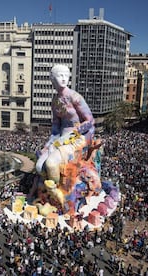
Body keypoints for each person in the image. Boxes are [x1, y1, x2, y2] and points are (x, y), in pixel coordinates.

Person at [35, 64, 95, 205]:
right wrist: (49, 143)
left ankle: (59, 194)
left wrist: (74, 133)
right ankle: (52, 191)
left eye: (66, 75)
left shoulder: (75, 97)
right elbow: (55, 127)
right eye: (59, 75)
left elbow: (90, 120)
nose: (63, 78)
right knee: (39, 166)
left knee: (50, 163)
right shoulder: (55, 101)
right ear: (52, 78)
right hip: (60, 138)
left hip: (77, 137)